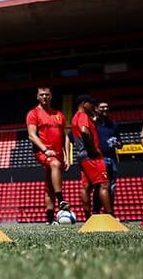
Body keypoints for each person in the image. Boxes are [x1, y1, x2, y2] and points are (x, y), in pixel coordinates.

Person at [26, 86, 71, 224]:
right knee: (54, 164)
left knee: (50, 186)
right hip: (43, 152)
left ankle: (50, 219)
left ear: (51, 96)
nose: (44, 97)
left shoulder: (59, 114)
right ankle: (61, 199)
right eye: (42, 94)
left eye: (47, 94)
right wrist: (45, 150)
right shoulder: (33, 113)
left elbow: (65, 137)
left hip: (58, 153)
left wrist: (68, 156)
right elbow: (32, 135)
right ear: (37, 97)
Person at [71, 95, 111, 218]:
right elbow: (84, 131)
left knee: (86, 187)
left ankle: (88, 217)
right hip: (92, 156)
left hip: (82, 156)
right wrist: (93, 149)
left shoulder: (75, 117)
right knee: (104, 185)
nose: (93, 107)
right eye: (91, 104)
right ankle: (110, 216)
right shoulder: (83, 115)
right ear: (84, 104)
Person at [92, 101, 121, 213]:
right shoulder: (93, 124)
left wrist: (118, 144)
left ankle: (109, 212)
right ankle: (96, 212)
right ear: (96, 109)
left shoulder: (114, 125)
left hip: (112, 159)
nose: (105, 109)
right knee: (99, 186)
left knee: (112, 187)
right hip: (99, 159)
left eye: (107, 107)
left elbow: (120, 142)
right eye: (102, 107)